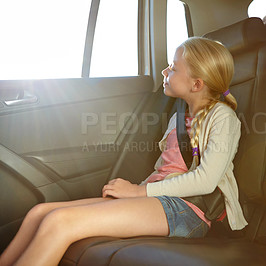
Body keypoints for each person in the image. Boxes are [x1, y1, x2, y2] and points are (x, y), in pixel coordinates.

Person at [0, 36, 247, 266]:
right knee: (40, 213)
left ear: (196, 84)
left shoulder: (222, 118)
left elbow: (206, 181)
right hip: (158, 200)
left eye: (173, 67)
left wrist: (138, 192)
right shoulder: (179, 116)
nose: (165, 71)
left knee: (59, 222)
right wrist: (137, 194)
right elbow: (166, 171)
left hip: (187, 210)